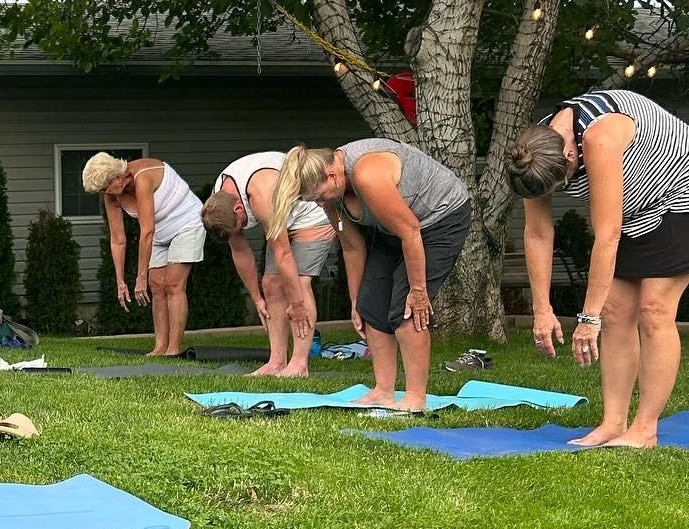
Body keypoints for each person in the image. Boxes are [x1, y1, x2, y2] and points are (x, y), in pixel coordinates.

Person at [509, 89, 689, 448]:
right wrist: (542, 308)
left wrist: (588, 320)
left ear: (570, 153)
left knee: (654, 309)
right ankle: (613, 423)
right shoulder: (534, 153)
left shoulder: (600, 137)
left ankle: (645, 429)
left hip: (679, 193)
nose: (562, 190)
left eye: (564, 182)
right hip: (635, 209)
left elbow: (607, 235)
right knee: (616, 309)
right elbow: (539, 232)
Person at [270, 140, 472, 411]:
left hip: (439, 219)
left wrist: (419, 291)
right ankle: (383, 391)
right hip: (396, 228)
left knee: (407, 308)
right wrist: (356, 302)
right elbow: (352, 248)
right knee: (371, 307)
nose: (319, 203)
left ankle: (415, 397)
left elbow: (411, 231)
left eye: (318, 197)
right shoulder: (332, 195)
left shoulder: (367, 175)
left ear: (332, 175)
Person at [201, 149, 338, 377]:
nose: (244, 228)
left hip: (311, 214)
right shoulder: (218, 206)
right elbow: (240, 250)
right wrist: (256, 298)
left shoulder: (262, 196)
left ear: (238, 207)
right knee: (271, 284)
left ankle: (299, 364)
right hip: (282, 218)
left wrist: (296, 304)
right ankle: (276, 362)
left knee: (299, 285)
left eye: (242, 224)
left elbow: (283, 254)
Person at [81, 152, 205, 358]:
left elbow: (146, 231)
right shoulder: (111, 196)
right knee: (156, 285)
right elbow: (118, 240)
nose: (105, 193)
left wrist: (140, 277)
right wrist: (120, 281)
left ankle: (174, 348)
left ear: (117, 178)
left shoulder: (142, 178)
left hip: (187, 223)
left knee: (173, 284)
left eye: (105, 187)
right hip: (159, 230)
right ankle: (159, 347)